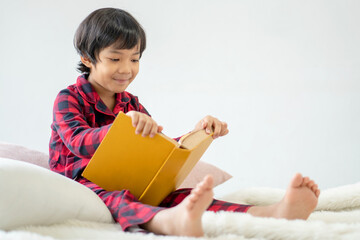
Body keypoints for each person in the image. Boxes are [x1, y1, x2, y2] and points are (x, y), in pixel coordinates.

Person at [49, 8, 320, 237]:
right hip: (82, 181)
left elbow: (159, 150)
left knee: (182, 196)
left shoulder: (131, 103)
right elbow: (77, 142)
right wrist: (122, 127)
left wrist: (199, 134)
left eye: (134, 59)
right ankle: (168, 223)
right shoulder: (68, 98)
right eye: (115, 59)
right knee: (118, 199)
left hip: (126, 178)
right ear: (87, 58)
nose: (126, 69)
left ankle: (269, 213)